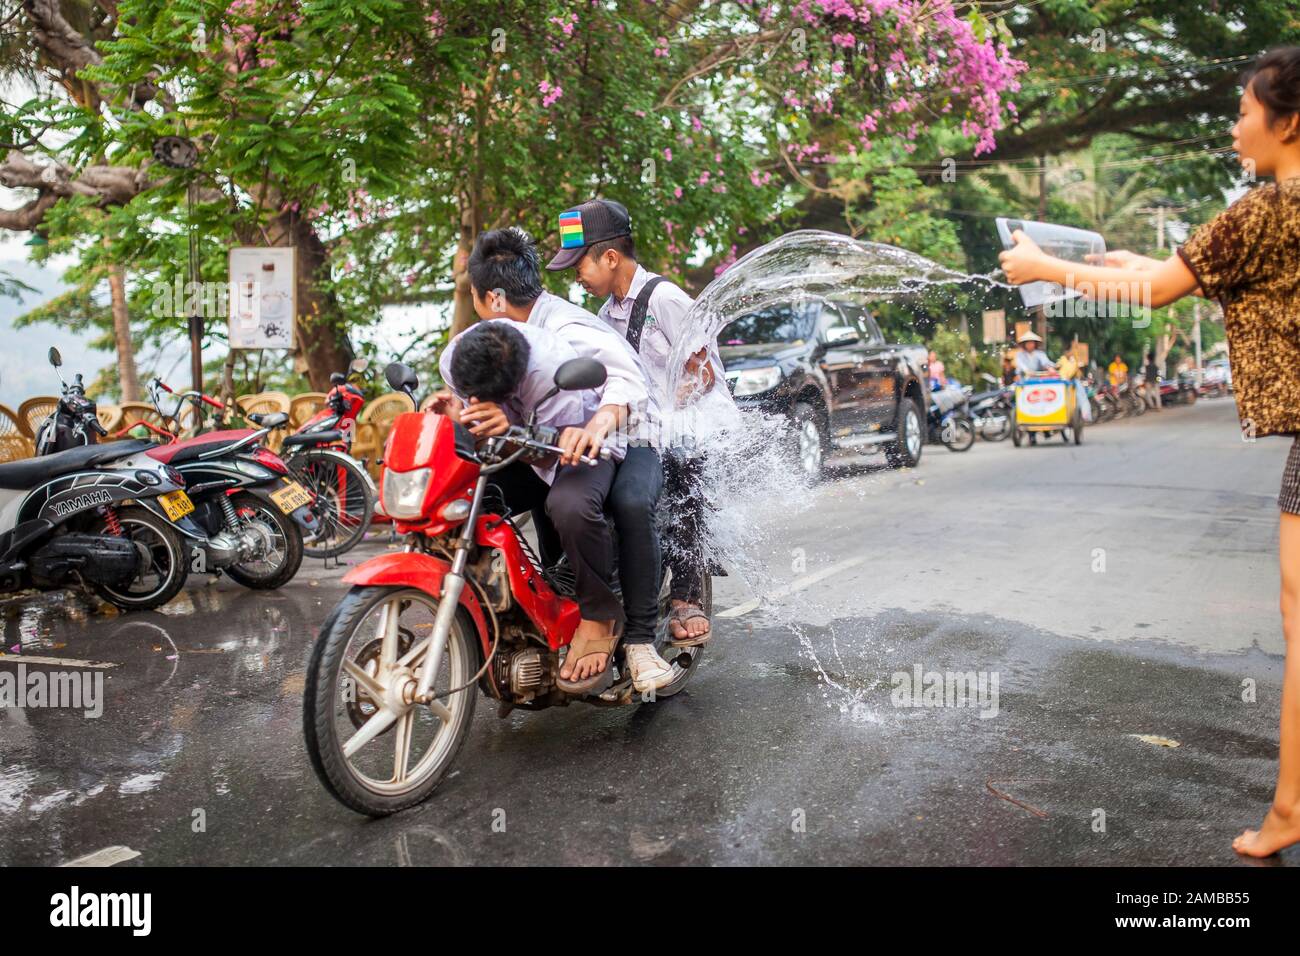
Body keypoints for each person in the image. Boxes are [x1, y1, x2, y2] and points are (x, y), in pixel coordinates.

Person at [1000, 46, 1300, 857]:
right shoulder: (1279, 212)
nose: (1236, 126)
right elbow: (1177, 273)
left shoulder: (1269, 208)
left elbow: (1165, 288)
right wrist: (1116, 264)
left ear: (1288, 119)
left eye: (1244, 111)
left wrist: (1043, 266)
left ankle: (1289, 810)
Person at [462, 227, 674, 692]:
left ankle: (633, 636)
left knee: (622, 504)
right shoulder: (496, 337)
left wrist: (597, 425)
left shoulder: (565, 328)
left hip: (629, 435)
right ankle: (534, 601)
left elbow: (626, 384)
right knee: (476, 496)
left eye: (474, 297)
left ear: (494, 299)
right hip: (550, 442)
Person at [546, 198, 729, 645]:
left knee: (681, 462)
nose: (575, 275)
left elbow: (703, 373)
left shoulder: (664, 298)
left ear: (610, 257)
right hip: (648, 425)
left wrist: (666, 412)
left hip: (696, 422)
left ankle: (687, 596)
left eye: (579, 264)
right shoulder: (604, 316)